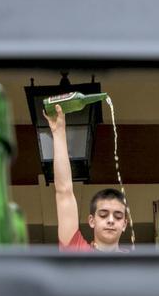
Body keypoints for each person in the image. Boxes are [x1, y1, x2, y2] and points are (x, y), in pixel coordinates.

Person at [45, 104, 129, 252]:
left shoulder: (134, 264)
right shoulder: (77, 250)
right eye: (103, 215)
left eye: (118, 216)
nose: (111, 220)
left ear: (124, 224)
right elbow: (64, 192)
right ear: (92, 221)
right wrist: (58, 133)